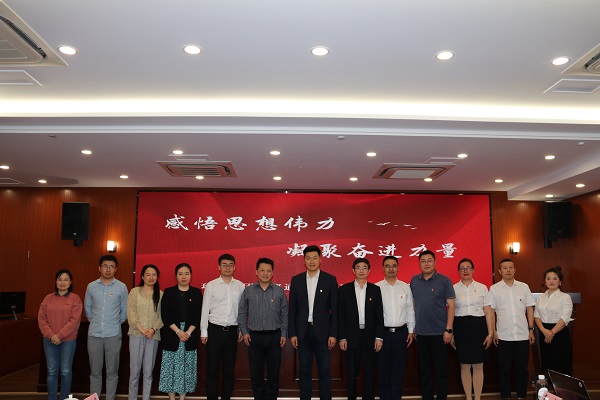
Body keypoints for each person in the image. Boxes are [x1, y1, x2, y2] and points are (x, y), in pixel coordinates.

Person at [288, 245, 338, 400]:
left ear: (320, 260)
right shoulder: (296, 280)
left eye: (315, 258)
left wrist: (333, 334)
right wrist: (292, 333)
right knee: (304, 370)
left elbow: (335, 310)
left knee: (324, 370)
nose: (312, 261)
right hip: (303, 333)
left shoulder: (330, 280)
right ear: (304, 260)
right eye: (308, 258)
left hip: (323, 333)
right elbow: (292, 310)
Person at [238, 258, 288, 400]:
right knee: (256, 373)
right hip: (254, 337)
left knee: (273, 374)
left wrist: (284, 333)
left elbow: (285, 314)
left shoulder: (279, 291)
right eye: (262, 270)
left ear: (272, 273)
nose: (265, 273)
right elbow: (242, 312)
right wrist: (244, 331)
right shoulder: (248, 291)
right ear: (256, 272)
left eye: (268, 271)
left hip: (275, 337)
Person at [486, 258, 535, 400]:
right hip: (503, 336)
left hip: (522, 335)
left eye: (511, 267)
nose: (508, 270)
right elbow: (491, 312)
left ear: (515, 270)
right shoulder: (494, 289)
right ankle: (505, 397)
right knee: (504, 370)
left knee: (522, 370)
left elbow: (530, 309)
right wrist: (494, 331)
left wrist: (531, 329)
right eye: (505, 268)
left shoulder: (524, 287)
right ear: (499, 271)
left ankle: (521, 396)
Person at [409, 250, 455, 400]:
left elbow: (451, 306)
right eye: (423, 261)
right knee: (425, 371)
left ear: (435, 262)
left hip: (440, 334)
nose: (426, 263)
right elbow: (413, 305)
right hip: (421, 334)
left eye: (429, 260)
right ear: (419, 263)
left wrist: (449, 329)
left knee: (441, 371)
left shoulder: (444, 281)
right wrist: (413, 327)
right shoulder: (414, 281)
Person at [200, 254, 245, 400]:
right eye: (224, 264)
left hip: (232, 332)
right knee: (212, 370)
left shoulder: (240, 286)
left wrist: (241, 329)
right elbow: (205, 309)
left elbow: (242, 310)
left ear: (234, 267)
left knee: (228, 370)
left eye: (230, 264)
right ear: (219, 267)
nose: (227, 267)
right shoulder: (211, 285)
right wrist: (204, 331)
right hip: (214, 331)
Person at [338, 258, 384, 400]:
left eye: (364, 268)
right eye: (358, 267)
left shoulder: (375, 289)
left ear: (369, 271)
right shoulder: (344, 289)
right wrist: (342, 337)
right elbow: (340, 316)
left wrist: (379, 337)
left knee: (370, 371)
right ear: (353, 270)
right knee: (351, 371)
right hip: (351, 336)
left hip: (370, 336)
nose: (361, 270)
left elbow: (379, 315)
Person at [84, 254, 128, 400]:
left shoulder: (122, 287)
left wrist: (113, 323)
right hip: (94, 335)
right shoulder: (91, 286)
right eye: (105, 266)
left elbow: (124, 311)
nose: (108, 269)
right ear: (99, 268)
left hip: (113, 335)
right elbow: (88, 308)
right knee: (95, 372)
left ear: (116, 269)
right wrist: (96, 321)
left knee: (112, 372)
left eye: (111, 266)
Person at [159, 262, 203, 400]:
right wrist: (178, 331)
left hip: (189, 335)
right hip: (172, 334)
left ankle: (182, 398)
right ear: (176, 276)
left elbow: (198, 315)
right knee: (170, 369)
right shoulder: (168, 292)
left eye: (187, 274)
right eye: (180, 274)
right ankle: (172, 398)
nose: (184, 277)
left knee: (186, 369)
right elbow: (165, 314)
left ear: (191, 275)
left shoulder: (197, 293)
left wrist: (188, 333)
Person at [452, 258, 494, 400]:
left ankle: (477, 398)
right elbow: (450, 312)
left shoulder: (482, 288)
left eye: (468, 267)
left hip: (479, 327)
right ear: (458, 271)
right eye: (462, 268)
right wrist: (451, 332)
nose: (465, 270)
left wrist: (490, 333)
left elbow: (488, 312)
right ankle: (469, 398)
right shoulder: (453, 288)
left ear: (473, 270)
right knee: (464, 365)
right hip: (460, 327)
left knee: (478, 365)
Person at [38, 269, 83, 400]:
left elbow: (74, 321)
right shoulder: (48, 298)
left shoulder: (75, 298)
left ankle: (65, 398)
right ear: (56, 281)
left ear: (70, 282)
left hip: (68, 341)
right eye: (60, 279)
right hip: (49, 340)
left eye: (65, 280)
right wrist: (51, 335)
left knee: (65, 371)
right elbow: (42, 319)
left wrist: (59, 335)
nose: (62, 282)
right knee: (51, 371)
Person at [376, 256, 415, 400]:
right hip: (383, 334)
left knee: (398, 369)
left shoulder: (405, 287)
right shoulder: (377, 288)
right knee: (383, 369)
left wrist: (410, 330)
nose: (391, 269)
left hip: (401, 334)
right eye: (387, 266)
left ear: (398, 268)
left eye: (394, 265)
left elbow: (410, 309)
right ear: (383, 268)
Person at [127, 264, 164, 400]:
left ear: (157, 277)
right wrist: (142, 330)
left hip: (153, 336)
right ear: (142, 276)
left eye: (154, 275)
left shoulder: (161, 294)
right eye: (148, 274)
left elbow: (162, 316)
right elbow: (131, 313)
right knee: (134, 372)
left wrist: (153, 329)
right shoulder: (134, 292)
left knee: (148, 373)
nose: (151, 277)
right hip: (136, 334)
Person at [534, 266, 573, 376]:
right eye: (548, 278)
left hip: (559, 333)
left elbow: (564, 318)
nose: (551, 281)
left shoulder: (565, 297)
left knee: (561, 365)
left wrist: (551, 333)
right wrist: (544, 331)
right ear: (545, 281)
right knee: (547, 364)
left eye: (555, 278)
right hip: (543, 332)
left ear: (560, 282)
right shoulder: (541, 297)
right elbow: (536, 315)